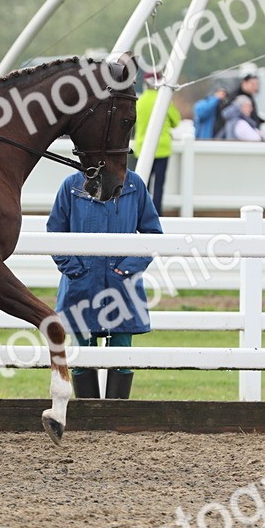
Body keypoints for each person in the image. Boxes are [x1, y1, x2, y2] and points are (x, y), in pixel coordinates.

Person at [47, 168, 163, 400]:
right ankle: (90, 417)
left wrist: (126, 269)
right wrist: (75, 270)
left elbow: (153, 234)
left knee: (121, 356)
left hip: (121, 287)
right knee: (81, 356)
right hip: (81, 286)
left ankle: (116, 417)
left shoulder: (134, 185)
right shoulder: (71, 185)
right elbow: (54, 233)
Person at [132, 69, 180, 214]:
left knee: (143, 183)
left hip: (142, 147)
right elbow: (176, 121)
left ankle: (142, 212)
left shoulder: (139, 102)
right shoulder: (164, 100)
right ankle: (156, 213)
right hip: (162, 147)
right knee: (159, 185)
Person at [212, 73, 264, 138]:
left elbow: (253, 116)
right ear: (244, 83)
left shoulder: (250, 96)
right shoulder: (235, 98)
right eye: (252, 84)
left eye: (257, 84)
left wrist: (263, 121)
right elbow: (226, 115)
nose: (255, 87)